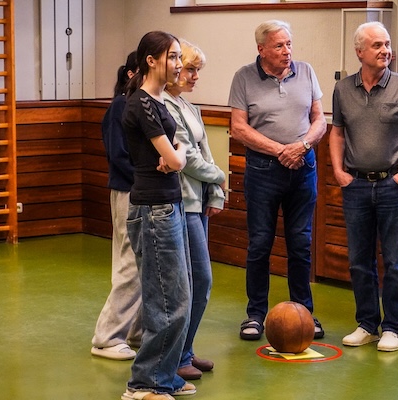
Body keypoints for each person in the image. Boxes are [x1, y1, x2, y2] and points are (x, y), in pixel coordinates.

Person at [329, 21, 398, 352]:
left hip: (393, 186)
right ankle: (367, 324)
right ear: (359, 52)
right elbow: (337, 132)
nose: (385, 50)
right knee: (359, 261)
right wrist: (338, 171)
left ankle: (392, 328)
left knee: (394, 262)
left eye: (387, 44)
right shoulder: (342, 89)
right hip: (356, 186)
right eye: (377, 45)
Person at [228, 20, 327, 341]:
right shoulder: (244, 77)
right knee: (260, 243)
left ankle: (304, 313)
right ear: (261, 49)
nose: (287, 51)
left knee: (300, 243)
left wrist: (302, 146)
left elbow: (319, 119)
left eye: (289, 44)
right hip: (263, 170)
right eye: (279, 46)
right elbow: (239, 127)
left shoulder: (306, 71)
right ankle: (255, 314)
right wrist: (280, 150)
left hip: (304, 167)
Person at [121, 31, 195, 399]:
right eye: (173, 57)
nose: (179, 64)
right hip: (154, 210)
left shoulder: (159, 101)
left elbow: (177, 151)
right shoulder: (142, 104)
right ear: (151, 60)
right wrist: (175, 155)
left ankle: (164, 376)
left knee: (180, 297)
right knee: (167, 301)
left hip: (169, 205)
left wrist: (174, 154)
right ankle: (145, 383)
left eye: (180, 57)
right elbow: (178, 157)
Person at [162, 39, 225, 380]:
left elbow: (205, 151)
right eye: (190, 69)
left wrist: (215, 192)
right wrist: (220, 176)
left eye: (198, 70)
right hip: (182, 204)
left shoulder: (188, 105)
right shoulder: (165, 106)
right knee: (195, 281)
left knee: (198, 283)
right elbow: (187, 159)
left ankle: (185, 351)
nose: (195, 76)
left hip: (198, 202)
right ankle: (176, 356)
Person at [91, 51, 142, 362]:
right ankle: (107, 337)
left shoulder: (142, 104)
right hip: (128, 191)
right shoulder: (120, 106)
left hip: (143, 191)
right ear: (133, 73)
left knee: (143, 265)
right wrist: (145, 179)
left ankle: (136, 331)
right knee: (129, 263)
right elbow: (118, 155)